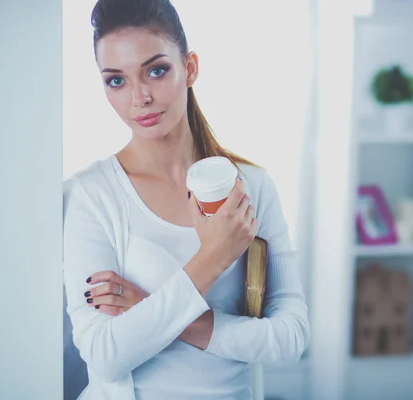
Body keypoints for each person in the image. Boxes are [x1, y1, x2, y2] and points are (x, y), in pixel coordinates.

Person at [62, 0, 310, 399]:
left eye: (156, 71)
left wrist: (156, 311)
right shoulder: (92, 195)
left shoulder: (253, 186)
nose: (139, 97)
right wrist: (211, 259)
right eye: (116, 80)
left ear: (190, 68)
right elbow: (104, 355)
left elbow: (291, 338)